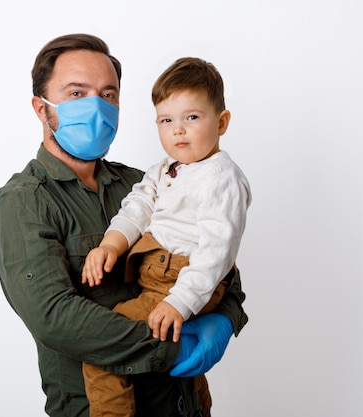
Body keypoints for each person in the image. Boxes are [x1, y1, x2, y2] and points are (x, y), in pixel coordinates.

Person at [0, 34, 248, 417]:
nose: (96, 106)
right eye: (77, 93)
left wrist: (226, 319)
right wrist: (173, 347)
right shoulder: (23, 203)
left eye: (108, 95)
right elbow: (56, 318)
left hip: (182, 403)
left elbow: (221, 261)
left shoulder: (145, 183)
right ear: (41, 108)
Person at [80, 57, 252, 417]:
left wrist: (180, 301)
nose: (178, 130)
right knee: (181, 359)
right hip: (159, 278)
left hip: (179, 281)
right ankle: (199, 407)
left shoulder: (221, 177)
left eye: (192, 117)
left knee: (103, 352)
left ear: (221, 123)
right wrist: (112, 243)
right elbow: (138, 205)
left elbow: (216, 253)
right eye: (166, 120)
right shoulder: (165, 168)